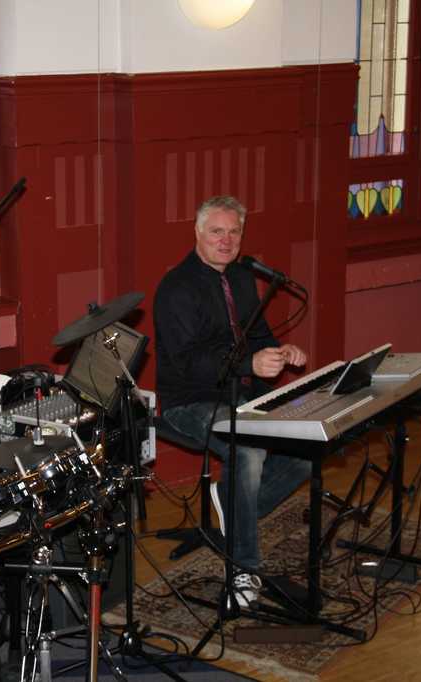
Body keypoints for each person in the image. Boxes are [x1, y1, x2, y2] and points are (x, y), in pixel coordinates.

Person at [154, 195, 311, 606]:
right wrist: (249, 364)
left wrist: (280, 351)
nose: (226, 240)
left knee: (306, 446)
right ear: (197, 233)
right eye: (216, 232)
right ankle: (243, 568)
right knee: (248, 450)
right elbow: (188, 363)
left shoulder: (241, 277)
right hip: (191, 400)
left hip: (240, 392)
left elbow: (257, 336)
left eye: (234, 232)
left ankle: (232, 505)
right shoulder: (176, 288)